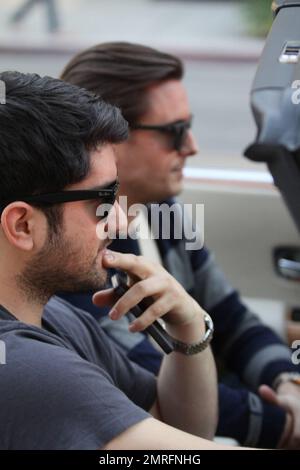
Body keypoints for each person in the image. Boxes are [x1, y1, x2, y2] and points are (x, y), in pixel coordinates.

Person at [60, 42, 300, 450]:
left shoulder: (162, 211)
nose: (191, 146)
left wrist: (287, 379)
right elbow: (155, 379)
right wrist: (283, 425)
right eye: (174, 132)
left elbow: (231, 318)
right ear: (110, 137)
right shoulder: (78, 254)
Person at [0, 70, 239, 450]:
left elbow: (176, 427)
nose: (120, 218)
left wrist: (189, 326)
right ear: (23, 225)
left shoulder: (58, 317)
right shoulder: (27, 370)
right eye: (103, 201)